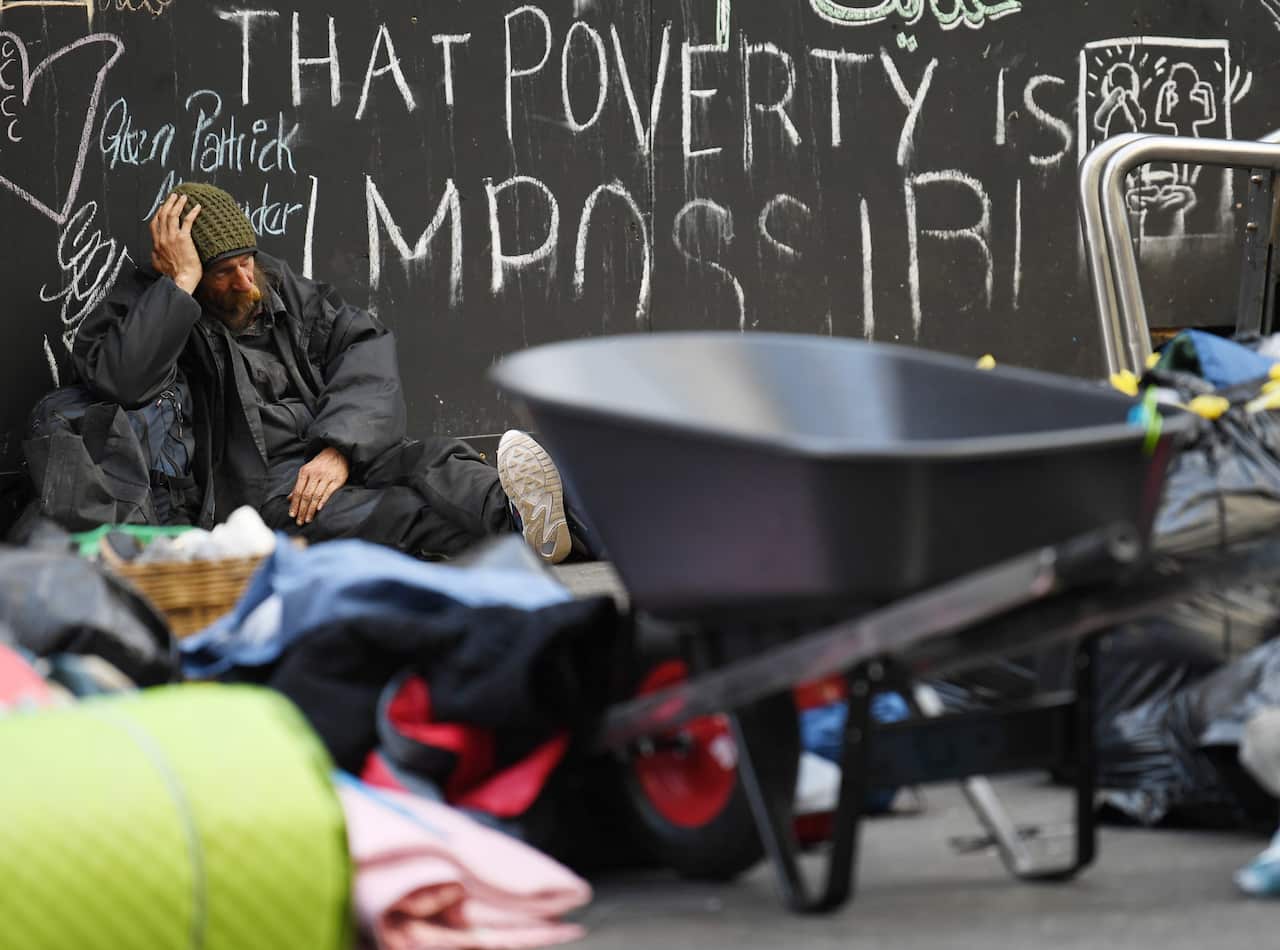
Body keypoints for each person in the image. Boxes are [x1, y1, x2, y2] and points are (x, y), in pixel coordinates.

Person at [72, 182, 581, 564]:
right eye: (223, 273)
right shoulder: (148, 307)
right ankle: (547, 531)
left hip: (334, 448)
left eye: (247, 262)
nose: (245, 280)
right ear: (192, 272)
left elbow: (364, 347)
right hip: (261, 489)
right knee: (401, 512)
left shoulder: (280, 290)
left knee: (438, 462)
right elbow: (122, 380)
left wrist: (340, 448)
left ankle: (529, 518)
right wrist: (178, 287)